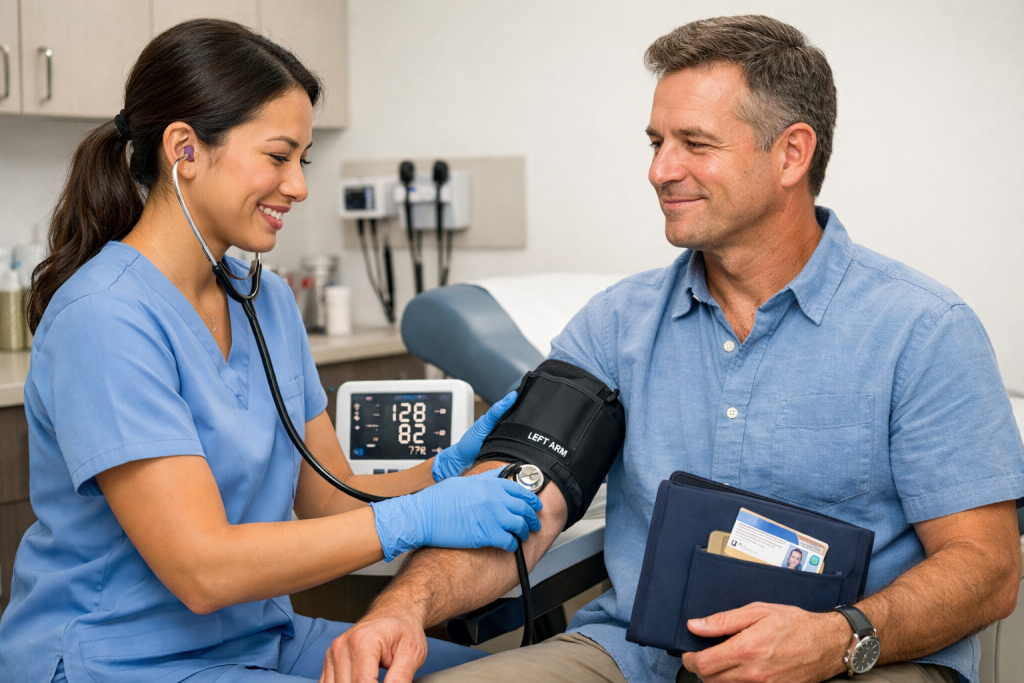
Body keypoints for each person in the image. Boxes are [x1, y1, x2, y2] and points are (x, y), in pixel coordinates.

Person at [324, 15, 1024, 683]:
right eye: (655, 141)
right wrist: (399, 608)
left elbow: (988, 568)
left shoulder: (924, 331)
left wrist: (840, 635)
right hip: (635, 656)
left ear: (791, 153)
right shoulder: (615, 326)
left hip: (856, 659)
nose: (660, 169)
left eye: (694, 142)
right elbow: (519, 502)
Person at [0, 19, 544, 683]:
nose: (299, 185)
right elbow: (203, 570)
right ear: (185, 149)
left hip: (261, 636)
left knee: (497, 674)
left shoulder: (268, 301)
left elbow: (332, 504)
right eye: (278, 156)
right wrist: (424, 513)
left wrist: (443, 473)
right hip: (122, 658)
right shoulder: (104, 318)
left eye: (302, 160)